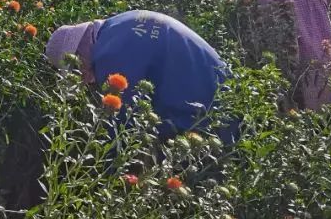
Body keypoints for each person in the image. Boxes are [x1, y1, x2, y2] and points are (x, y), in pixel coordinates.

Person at [44, 10, 231, 139]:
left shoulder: (110, 56)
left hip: (208, 110)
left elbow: (122, 127)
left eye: (76, 68)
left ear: (78, 54)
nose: (83, 77)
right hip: (223, 83)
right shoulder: (121, 22)